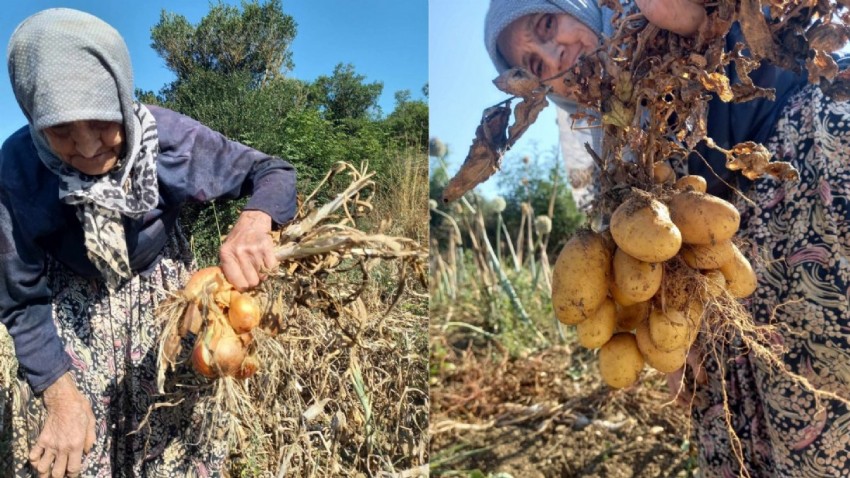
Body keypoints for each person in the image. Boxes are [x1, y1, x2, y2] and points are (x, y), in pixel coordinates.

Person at [485, 0, 850, 476]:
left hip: (809, 155)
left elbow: (770, 40)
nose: (556, 56)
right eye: (535, 66)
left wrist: (703, 22)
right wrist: (672, 340)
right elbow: (644, 260)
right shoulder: (607, 151)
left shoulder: (654, 13)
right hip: (724, 260)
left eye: (548, 24)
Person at [0, 8, 296, 477]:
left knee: (172, 440)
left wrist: (256, 221)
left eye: (101, 119)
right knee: (76, 450)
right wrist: (58, 393)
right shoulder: (17, 169)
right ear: (35, 121)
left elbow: (271, 172)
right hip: (72, 311)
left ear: (120, 95)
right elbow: (19, 297)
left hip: (168, 299)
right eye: (60, 129)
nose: (89, 146)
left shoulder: (168, 140)